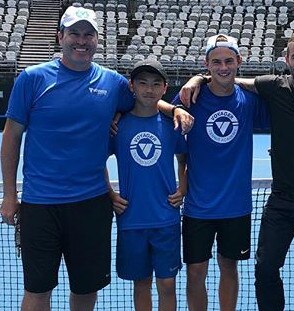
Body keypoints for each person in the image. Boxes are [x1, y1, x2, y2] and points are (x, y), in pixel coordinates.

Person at [0, 6, 192, 310]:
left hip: (91, 204)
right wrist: (10, 195)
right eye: (74, 33)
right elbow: (11, 136)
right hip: (40, 204)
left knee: (86, 291)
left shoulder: (113, 83)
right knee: (37, 292)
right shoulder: (32, 78)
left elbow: (148, 100)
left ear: (97, 40)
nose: (81, 40)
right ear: (60, 36)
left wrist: (175, 108)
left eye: (88, 34)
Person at [179, 29, 294, 311]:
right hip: (281, 201)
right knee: (264, 270)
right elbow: (228, 80)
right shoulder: (272, 87)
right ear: (286, 58)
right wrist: (199, 78)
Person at [172, 34, 269, 311]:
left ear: (239, 61)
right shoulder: (191, 97)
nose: (223, 67)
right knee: (195, 273)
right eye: (216, 62)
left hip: (236, 206)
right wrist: (196, 80)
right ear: (207, 64)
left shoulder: (250, 101)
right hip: (197, 207)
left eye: (228, 60)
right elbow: (164, 115)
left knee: (230, 269)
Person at [106, 59, 187, 311]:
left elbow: (184, 159)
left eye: (155, 84)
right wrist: (110, 193)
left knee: (167, 285)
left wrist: (183, 187)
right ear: (131, 86)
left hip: (166, 220)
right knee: (141, 284)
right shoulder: (117, 127)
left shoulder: (173, 125)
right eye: (142, 83)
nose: (148, 90)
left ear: (165, 89)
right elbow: (96, 161)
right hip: (131, 220)